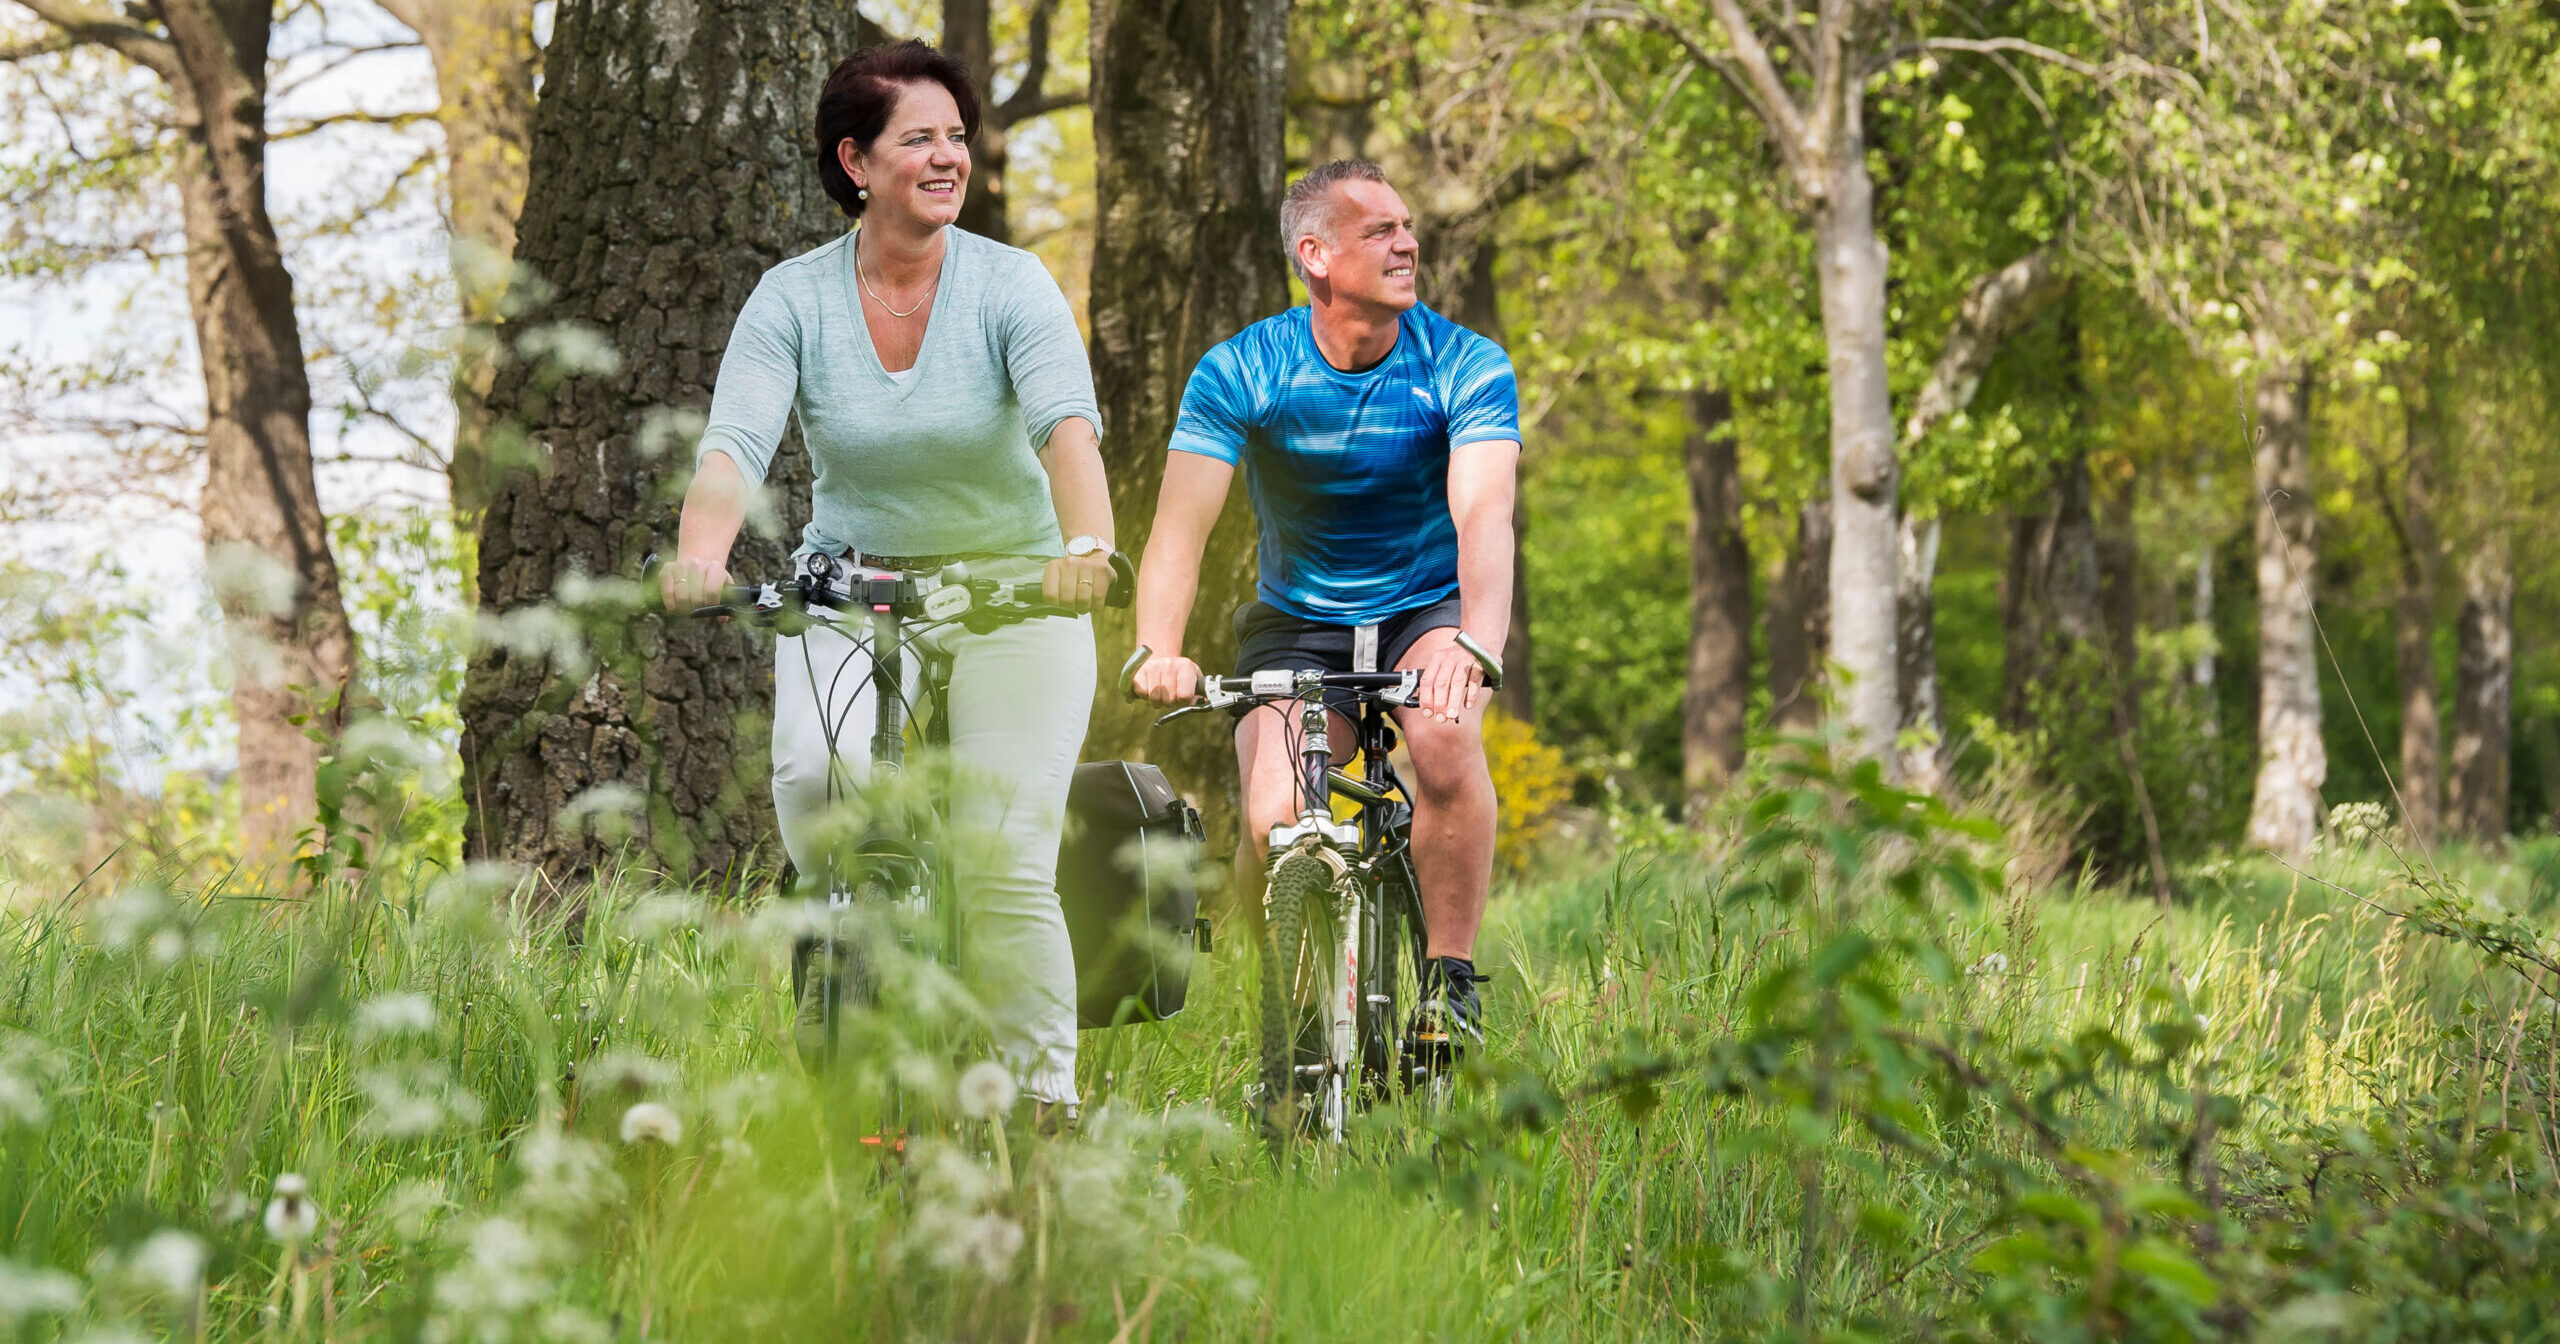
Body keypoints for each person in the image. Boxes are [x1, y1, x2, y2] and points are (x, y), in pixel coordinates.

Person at [659, 41, 1115, 1110]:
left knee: (1004, 865)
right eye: (921, 139)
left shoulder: (1010, 284)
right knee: (821, 787)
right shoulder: (794, 297)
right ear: (855, 161)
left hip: (1013, 591)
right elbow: (733, 445)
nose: (948, 156)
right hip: (851, 587)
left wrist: (1086, 548)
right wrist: (699, 559)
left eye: (957, 137)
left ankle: (1040, 1112)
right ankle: (847, 964)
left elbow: (1066, 432)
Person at [1127, 159, 1520, 1049]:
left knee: (1447, 743)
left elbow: (1484, 512)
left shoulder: (1463, 362)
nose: (1408, 242)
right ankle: (1297, 1019)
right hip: (1299, 620)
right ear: (1315, 254)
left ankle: (1449, 982)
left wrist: (1477, 643)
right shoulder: (1244, 369)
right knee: (1274, 822)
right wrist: (1158, 646)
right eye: (1380, 230)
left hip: (1428, 606)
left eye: (1407, 225)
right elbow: (1180, 529)